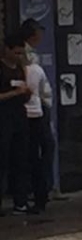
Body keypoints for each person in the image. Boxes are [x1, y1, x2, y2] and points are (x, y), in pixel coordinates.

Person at [0, 35, 33, 216]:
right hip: (3, 117)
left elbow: (25, 92)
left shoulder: (21, 68)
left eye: (21, 52)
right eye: (16, 52)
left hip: (19, 117)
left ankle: (21, 201)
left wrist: (26, 93)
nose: (19, 55)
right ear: (7, 50)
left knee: (20, 159)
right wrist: (14, 93)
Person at [24, 45, 53, 214]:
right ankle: (41, 193)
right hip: (36, 115)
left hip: (33, 116)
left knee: (33, 157)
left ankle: (36, 194)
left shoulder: (32, 70)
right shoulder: (36, 69)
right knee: (38, 156)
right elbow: (46, 94)